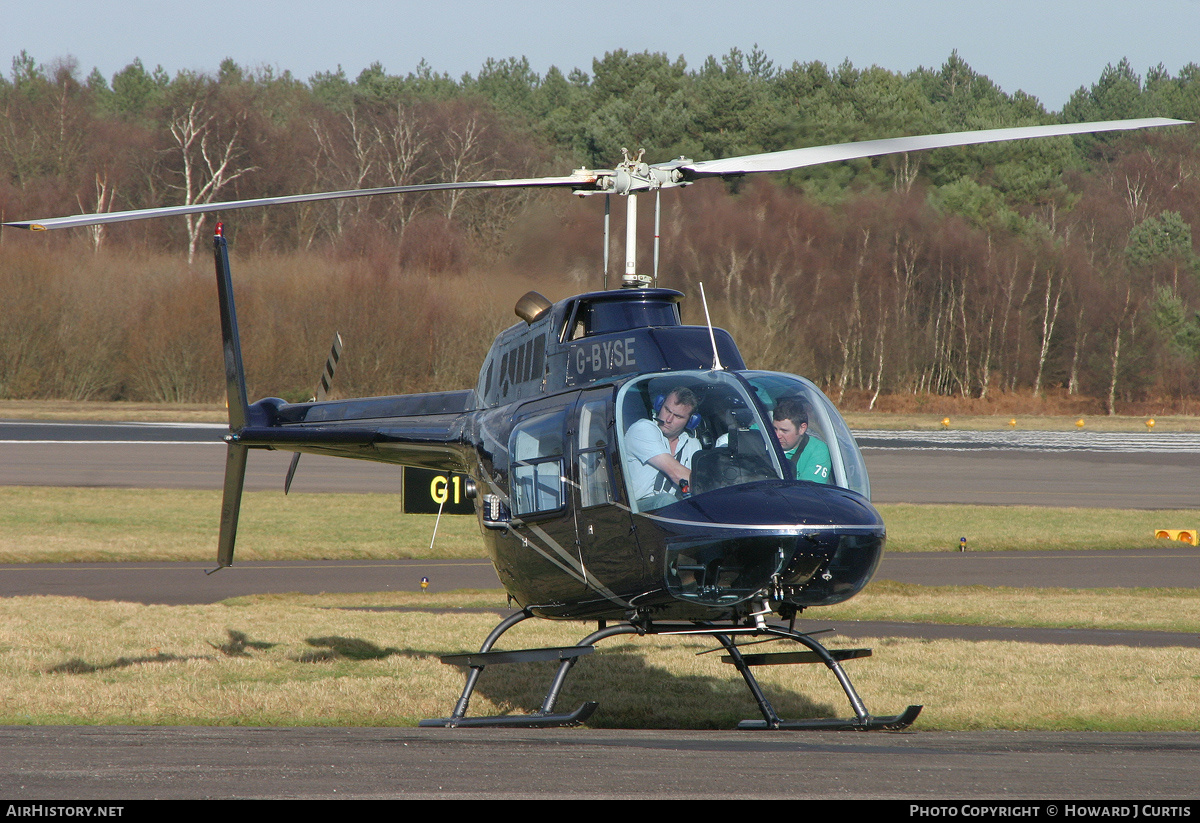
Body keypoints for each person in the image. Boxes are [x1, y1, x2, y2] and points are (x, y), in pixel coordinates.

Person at [624, 387, 701, 509]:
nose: (668, 419)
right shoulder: (642, 429)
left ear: (691, 421)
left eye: (678, 416)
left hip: (674, 506)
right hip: (638, 507)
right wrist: (709, 486)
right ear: (659, 405)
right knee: (665, 500)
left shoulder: (693, 445)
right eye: (667, 410)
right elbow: (676, 473)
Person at [772, 397, 832, 484]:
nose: (777, 436)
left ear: (802, 429)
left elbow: (808, 492)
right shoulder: (760, 434)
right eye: (774, 429)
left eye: (784, 431)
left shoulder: (817, 450)